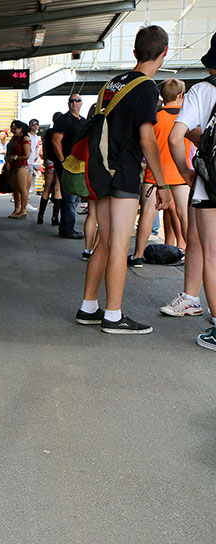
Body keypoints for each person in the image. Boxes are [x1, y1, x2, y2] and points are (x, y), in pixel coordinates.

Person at [75, 25, 172, 334]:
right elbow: (146, 140)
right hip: (125, 174)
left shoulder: (110, 85)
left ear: (135, 53)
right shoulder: (147, 88)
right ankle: (114, 316)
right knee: (119, 245)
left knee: (103, 241)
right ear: (164, 54)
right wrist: (162, 183)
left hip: (101, 170)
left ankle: (88, 307)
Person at [167, 32, 216, 349]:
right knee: (201, 245)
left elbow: (176, 137)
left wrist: (186, 172)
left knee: (211, 254)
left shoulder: (202, 91)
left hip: (210, 186)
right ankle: (191, 298)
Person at [130, 78, 191, 265]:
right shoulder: (188, 120)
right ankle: (192, 254)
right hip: (181, 173)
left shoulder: (154, 118)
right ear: (181, 95)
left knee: (147, 213)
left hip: (154, 174)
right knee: (184, 215)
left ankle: (138, 255)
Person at [52, 93, 87, 239]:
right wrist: (62, 161)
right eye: (71, 101)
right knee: (69, 197)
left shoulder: (83, 121)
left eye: (77, 100)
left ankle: (66, 226)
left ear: (81, 103)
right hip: (67, 164)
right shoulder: (63, 120)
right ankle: (67, 228)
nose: (74, 103)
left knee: (77, 195)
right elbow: (55, 140)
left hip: (80, 164)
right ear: (68, 103)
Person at [4, 120, 31, 218]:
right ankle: (17, 209)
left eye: (16, 128)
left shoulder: (24, 139)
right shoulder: (14, 139)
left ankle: (23, 209)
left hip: (21, 165)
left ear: (21, 129)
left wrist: (14, 158)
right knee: (15, 189)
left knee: (22, 188)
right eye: (13, 128)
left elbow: (27, 155)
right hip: (13, 165)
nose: (14, 130)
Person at [37, 126, 62, 226]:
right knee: (57, 189)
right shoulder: (61, 132)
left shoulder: (48, 133)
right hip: (59, 161)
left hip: (49, 161)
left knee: (46, 188)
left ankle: (40, 215)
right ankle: (55, 217)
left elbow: (44, 149)